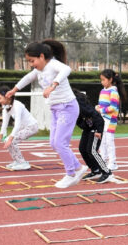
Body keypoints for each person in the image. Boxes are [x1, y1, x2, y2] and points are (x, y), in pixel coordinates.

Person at [7, 39, 87, 189]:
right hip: (56, 109)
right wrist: (14, 90)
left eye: (32, 60)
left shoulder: (53, 64)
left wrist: (53, 85)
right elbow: (27, 78)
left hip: (67, 107)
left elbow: (66, 70)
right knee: (53, 144)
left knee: (60, 143)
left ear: (42, 56)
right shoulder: (38, 70)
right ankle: (78, 167)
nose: (32, 64)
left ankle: (71, 174)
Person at [74, 89, 114, 184]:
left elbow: (98, 118)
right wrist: (84, 125)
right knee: (82, 148)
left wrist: (99, 131)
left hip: (96, 127)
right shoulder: (73, 109)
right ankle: (95, 170)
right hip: (88, 128)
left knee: (92, 150)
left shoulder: (84, 107)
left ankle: (107, 172)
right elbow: (78, 120)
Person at [0, 85, 39, 170]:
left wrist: (10, 138)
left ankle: (23, 163)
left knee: (11, 140)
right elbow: (5, 123)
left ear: (8, 97)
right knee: (7, 140)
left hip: (32, 127)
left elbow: (17, 124)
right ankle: (17, 161)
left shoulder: (18, 105)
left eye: (0, 98)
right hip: (23, 127)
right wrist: (0, 137)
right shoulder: (6, 107)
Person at [96, 69, 127, 171]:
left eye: (103, 80)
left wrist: (101, 110)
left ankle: (112, 162)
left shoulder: (113, 92)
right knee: (102, 141)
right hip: (102, 120)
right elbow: (102, 105)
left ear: (110, 80)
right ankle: (103, 160)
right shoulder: (102, 91)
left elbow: (113, 108)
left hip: (110, 121)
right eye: (101, 80)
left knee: (109, 142)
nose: (102, 82)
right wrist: (98, 108)